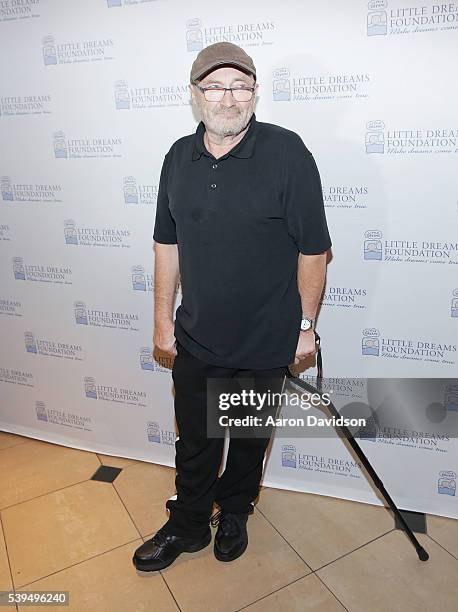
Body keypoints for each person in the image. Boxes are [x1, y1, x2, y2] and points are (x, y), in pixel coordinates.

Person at [132, 42, 332, 572]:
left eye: (240, 87)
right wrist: (161, 322)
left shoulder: (287, 153)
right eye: (216, 86)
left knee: (246, 440)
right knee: (195, 442)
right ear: (196, 95)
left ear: (255, 94)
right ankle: (189, 523)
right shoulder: (177, 157)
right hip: (197, 336)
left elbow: (315, 250)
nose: (229, 98)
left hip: (265, 340)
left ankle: (236, 511)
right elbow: (165, 245)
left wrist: (305, 327)